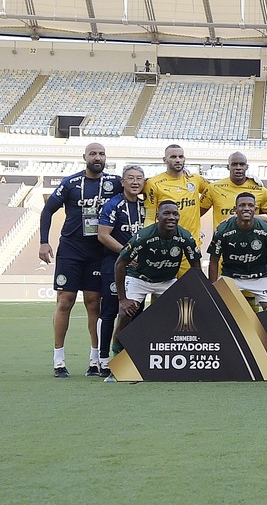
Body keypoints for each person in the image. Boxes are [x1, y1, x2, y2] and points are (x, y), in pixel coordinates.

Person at [39, 142, 122, 378]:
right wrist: (44, 241)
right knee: (65, 300)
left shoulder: (114, 183)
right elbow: (47, 211)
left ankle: (95, 360)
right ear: (84, 156)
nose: (97, 157)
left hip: (98, 251)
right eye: (93, 153)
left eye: (102, 153)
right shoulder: (70, 183)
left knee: (94, 303)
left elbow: (138, 188)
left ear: (106, 158)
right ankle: (58, 361)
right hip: (71, 249)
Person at [111, 200, 202, 352]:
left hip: (166, 281)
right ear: (158, 217)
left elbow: (196, 266)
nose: (171, 217)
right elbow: (120, 263)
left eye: (175, 214)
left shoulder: (185, 237)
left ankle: (168, 354)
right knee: (125, 313)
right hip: (139, 279)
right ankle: (116, 359)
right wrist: (123, 299)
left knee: (185, 314)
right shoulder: (144, 236)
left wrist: (197, 292)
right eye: (166, 213)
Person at [96, 164, 145, 374]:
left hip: (140, 269)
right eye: (130, 178)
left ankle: (127, 357)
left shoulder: (147, 206)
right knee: (110, 312)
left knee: (136, 312)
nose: (135, 182)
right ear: (122, 182)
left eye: (139, 178)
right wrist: (127, 254)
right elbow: (103, 235)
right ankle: (104, 359)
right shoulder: (113, 205)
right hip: (115, 265)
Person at [208, 193, 267, 310]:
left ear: (255, 209)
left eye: (250, 205)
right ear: (235, 209)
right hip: (231, 277)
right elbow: (213, 260)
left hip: (260, 277)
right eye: (242, 205)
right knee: (215, 309)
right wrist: (212, 289)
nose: (246, 208)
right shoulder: (222, 230)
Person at [143, 144, 210, 277]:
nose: (178, 160)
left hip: (191, 245)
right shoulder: (153, 183)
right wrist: (149, 240)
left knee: (192, 291)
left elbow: (215, 192)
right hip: (165, 245)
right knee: (163, 291)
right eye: (173, 157)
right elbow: (150, 216)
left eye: (181, 156)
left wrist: (249, 182)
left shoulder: (195, 179)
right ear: (165, 160)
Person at [202, 151, 267, 231]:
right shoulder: (213, 188)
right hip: (223, 241)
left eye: (242, 164)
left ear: (246, 167)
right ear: (228, 167)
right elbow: (195, 214)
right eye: (234, 164)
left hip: (252, 241)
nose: (238, 167)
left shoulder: (261, 190)